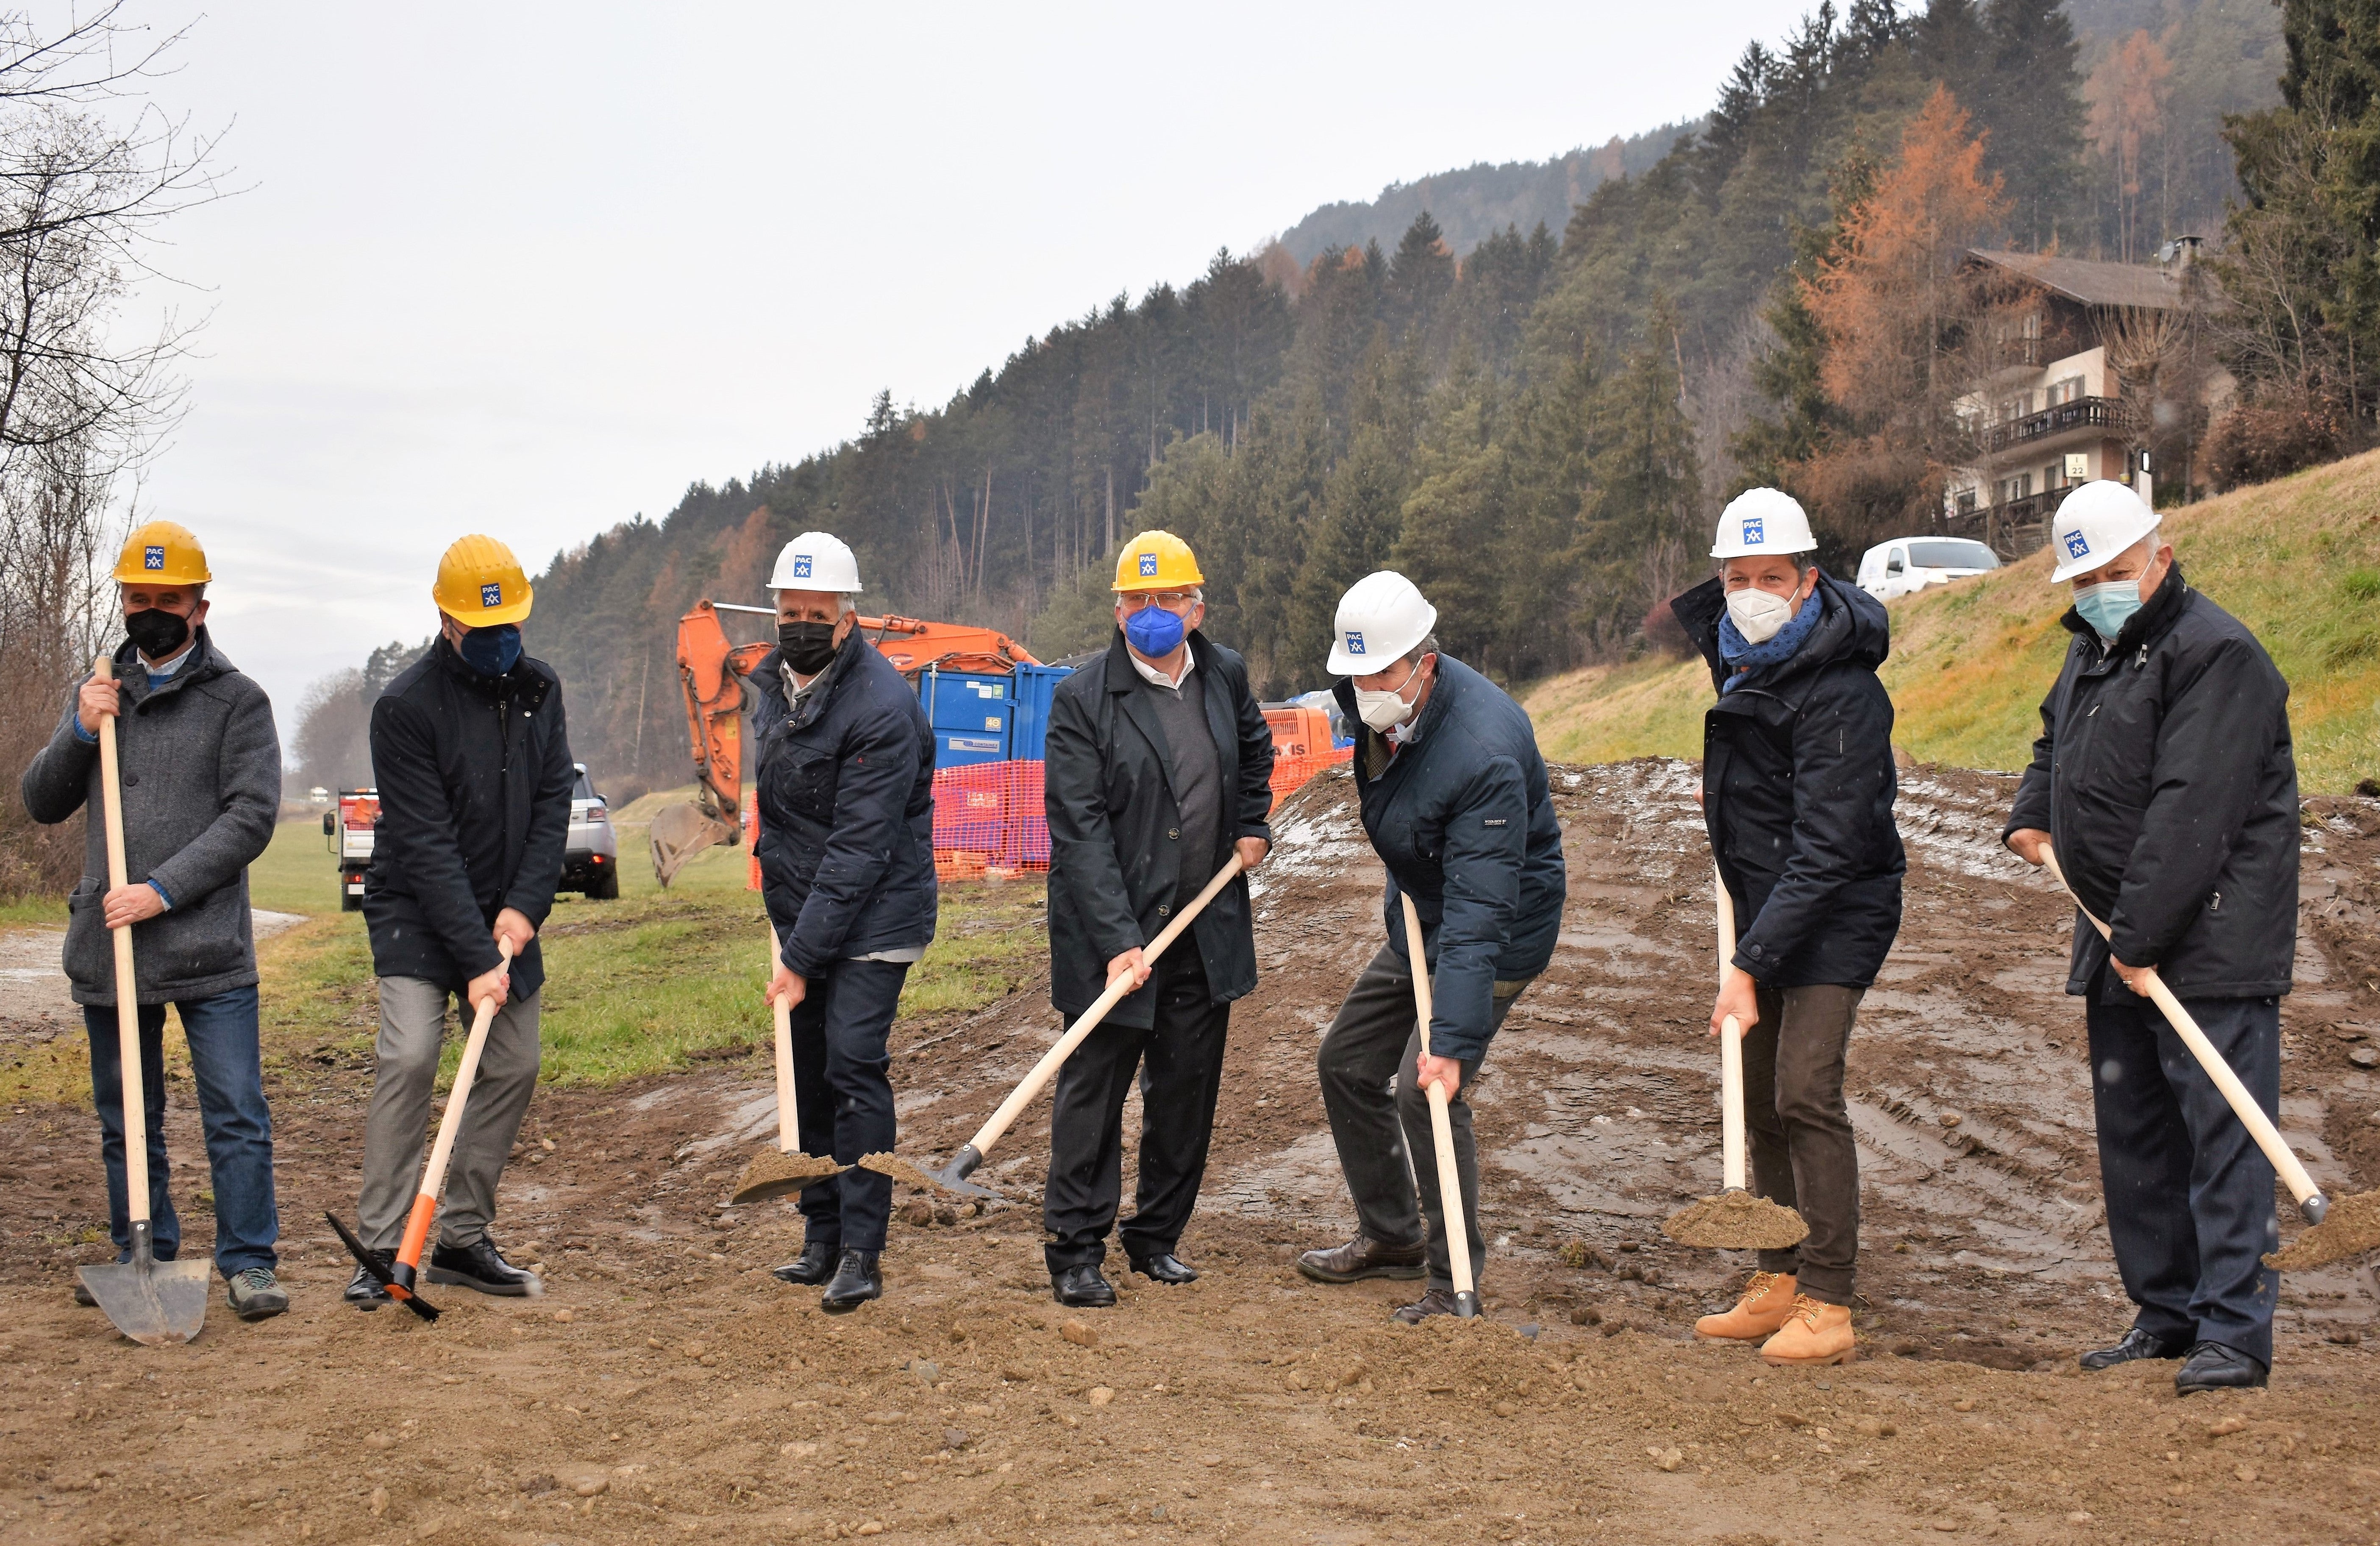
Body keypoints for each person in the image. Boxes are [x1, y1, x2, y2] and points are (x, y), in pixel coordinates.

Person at [2003, 480, 2297, 1396]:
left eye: (2116, 571)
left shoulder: (2219, 657)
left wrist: (2143, 937)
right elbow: (2056, 745)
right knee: (2137, 1139)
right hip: (2118, 934)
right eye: (2084, 577)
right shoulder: (2094, 650)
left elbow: (2192, 816)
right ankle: (2167, 1313)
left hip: (2208, 940)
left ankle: (2234, 1332)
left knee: (2222, 1139)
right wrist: (2029, 815)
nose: (2100, 588)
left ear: (2161, 556)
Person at [20, 522, 287, 1321]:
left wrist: (162, 890)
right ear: (125, 602)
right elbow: (40, 802)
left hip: (206, 944)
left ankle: (250, 1262)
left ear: (200, 607)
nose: (153, 612)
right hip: (113, 952)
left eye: (170, 600)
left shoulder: (238, 701)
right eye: (140, 599)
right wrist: (78, 728)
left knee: (236, 1112)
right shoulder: (101, 690)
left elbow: (251, 818)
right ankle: (145, 1252)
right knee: (126, 1117)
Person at [1668, 488, 1904, 1368]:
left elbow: (1831, 842)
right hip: (1767, 901)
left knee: (1805, 1089)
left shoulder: (1844, 691)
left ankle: (1830, 1298)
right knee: (1759, 1093)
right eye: (1738, 578)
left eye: (1773, 577)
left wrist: (1748, 965)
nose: (1754, 591)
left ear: (1809, 583)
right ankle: (1778, 1274)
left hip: (1839, 907)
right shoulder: (1741, 658)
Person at [1296, 570, 1565, 1323]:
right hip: (1426, 909)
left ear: (1425, 660)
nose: (1364, 688)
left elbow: (1482, 914)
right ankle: (1390, 1236)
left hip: (1501, 928)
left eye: (1380, 672)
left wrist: (1448, 1041)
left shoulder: (1484, 751)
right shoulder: (1374, 704)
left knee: (1429, 1088)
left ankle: (1454, 1284)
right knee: (1346, 1062)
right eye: (1353, 673)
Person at [1040, 530, 1274, 1308]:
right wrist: (1117, 942)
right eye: (1137, 600)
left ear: (1196, 607)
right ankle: (1077, 1249)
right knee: (1094, 1093)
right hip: (1115, 933)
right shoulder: (1082, 700)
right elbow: (1079, 829)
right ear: (1116, 609)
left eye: (1167, 598)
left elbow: (1253, 751)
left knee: (1186, 1092)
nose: (1152, 613)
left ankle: (1156, 1238)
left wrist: (1253, 823)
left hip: (1202, 928)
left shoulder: (1225, 675)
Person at [346, 534, 573, 1308]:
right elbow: (425, 842)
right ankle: (381, 1246)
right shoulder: (405, 707)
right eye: (485, 628)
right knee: (411, 1057)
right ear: (446, 621)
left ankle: (463, 1239)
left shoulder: (542, 689)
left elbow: (551, 808)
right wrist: (477, 957)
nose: (502, 641)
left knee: (513, 1065)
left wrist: (522, 910)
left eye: (513, 625)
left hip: (508, 911)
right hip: (418, 905)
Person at [752, 532, 939, 1314]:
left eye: (814, 612)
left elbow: (860, 851)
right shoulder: (771, 684)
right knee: (808, 1073)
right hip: (807, 911)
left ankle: (863, 1251)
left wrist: (799, 958)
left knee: (853, 1066)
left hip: (874, 911)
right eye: (788, 611)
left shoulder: (881, 709)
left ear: (847, 617)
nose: (799, 625)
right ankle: (819, 1233)